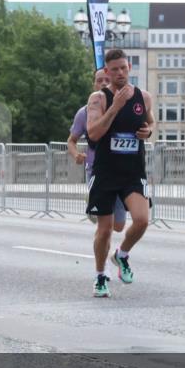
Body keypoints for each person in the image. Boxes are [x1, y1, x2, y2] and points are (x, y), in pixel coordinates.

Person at [85, 49, 154, 297]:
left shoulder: (143, 97)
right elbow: (93, 133)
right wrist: (115, 107)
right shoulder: (98, 98)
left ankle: (122, 254)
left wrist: (149, 131)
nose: (120, 73)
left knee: (142, 219)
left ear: (130, 68)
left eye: (124, 68)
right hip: (105, 172)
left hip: (133, 171)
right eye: (115, 69)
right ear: (107, 71)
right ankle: (100, 276)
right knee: (104, 230)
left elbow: (150, 122)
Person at [68, 68, 127, 232]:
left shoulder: (124, 108)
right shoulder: (84, 112)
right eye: (99, 80)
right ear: (94, 84)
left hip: (121, 170)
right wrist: (76, 155)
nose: (103, 83)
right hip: (96, 169)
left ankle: (94, 202)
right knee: (105, 223)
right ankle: (93, 199)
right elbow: (71, 141)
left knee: (119, 226)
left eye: (106, 80)